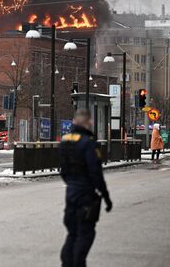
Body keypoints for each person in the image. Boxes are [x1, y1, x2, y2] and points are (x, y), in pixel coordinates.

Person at [58, 109, 112, 267]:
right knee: (85, 233)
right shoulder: (88, 143)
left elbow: (63, 170)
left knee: (72, 233)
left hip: (71, 193)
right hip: (85, 195)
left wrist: (72, 184)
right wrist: (105, 196)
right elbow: (95, 173)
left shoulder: (65, 141)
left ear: (74, 122)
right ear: (88, 123)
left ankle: (66, 264)